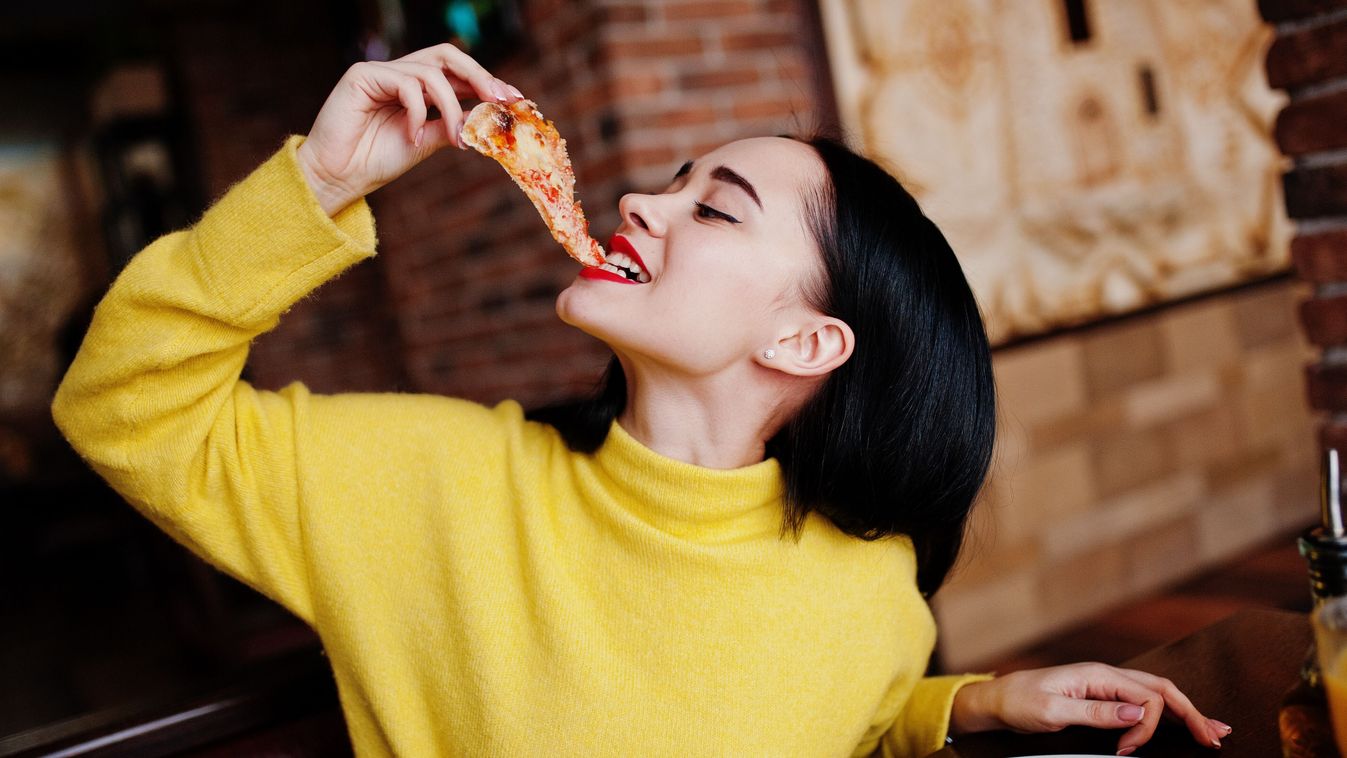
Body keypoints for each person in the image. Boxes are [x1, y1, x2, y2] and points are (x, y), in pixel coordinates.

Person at [52, 43, 1232, 757]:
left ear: (807, 338)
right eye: (670, 181)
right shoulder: (430, 481)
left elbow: (815, 712)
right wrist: (314, 184)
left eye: (711, 207)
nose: (639, 203)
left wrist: (956, 708)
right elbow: (121, 406)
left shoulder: (872, 594)